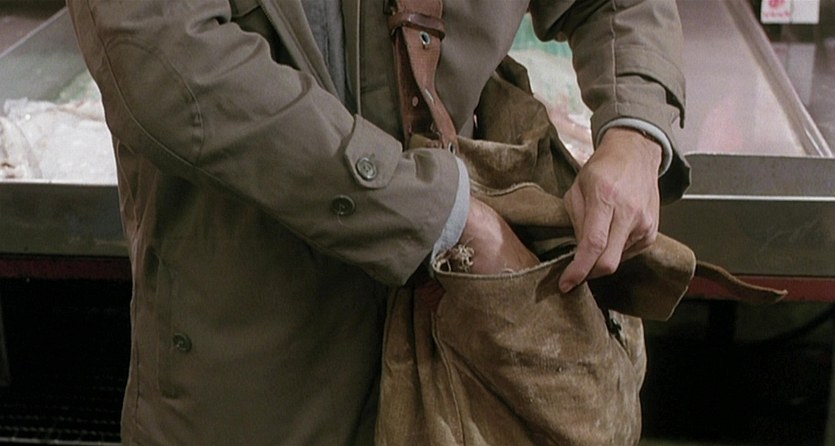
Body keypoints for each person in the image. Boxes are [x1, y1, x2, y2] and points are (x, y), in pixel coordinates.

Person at [66, 0, 688, 444]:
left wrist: (636, 128)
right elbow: (167, 61)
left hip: (468, 344)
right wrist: (446, 220)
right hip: (254, 364)